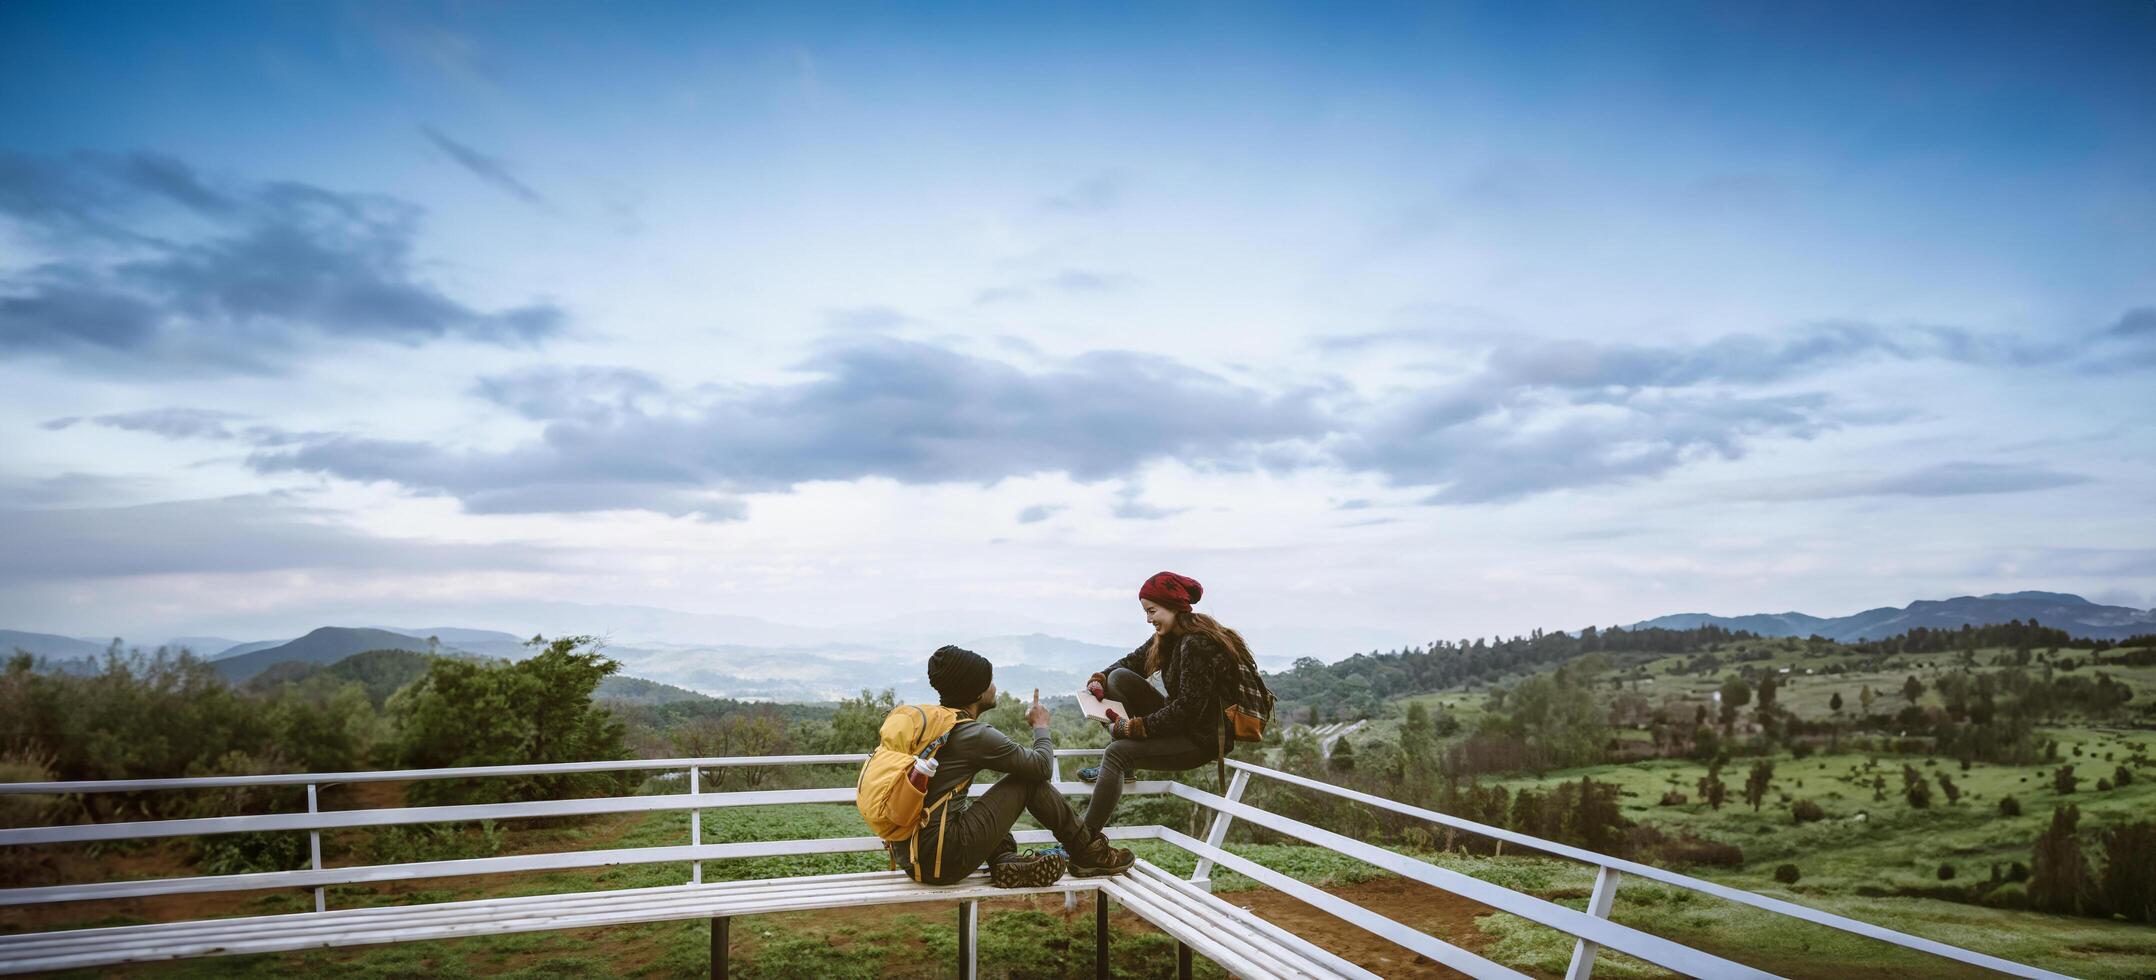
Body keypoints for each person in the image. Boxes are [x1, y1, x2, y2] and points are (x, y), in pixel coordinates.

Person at [895, 645, 1136, 886]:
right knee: (1026, 781)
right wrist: (1040, 725)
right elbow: (1042, 767)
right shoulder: (972, 734)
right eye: (990, 681)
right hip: (942, 860)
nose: (995, 686)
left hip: (914, 856)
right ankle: (1088, 853)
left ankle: (1004, 858)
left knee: (971, 803)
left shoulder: (933, 725)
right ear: (977, 693)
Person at [1077, 571, 1253, 836]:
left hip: (1199, 740)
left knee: (1116, 752)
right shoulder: (1169, 637)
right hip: (1181, 725)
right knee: (1119, 678)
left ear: (1172, 606)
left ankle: (1084, 841)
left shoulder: (1196, 642)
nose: (1149, 620)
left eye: (1152, 611)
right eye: (1146, 613)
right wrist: (1099, 680)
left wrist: (1135, 728)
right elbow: (1129, 663)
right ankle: (1124, 771)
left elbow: (1187, 709)